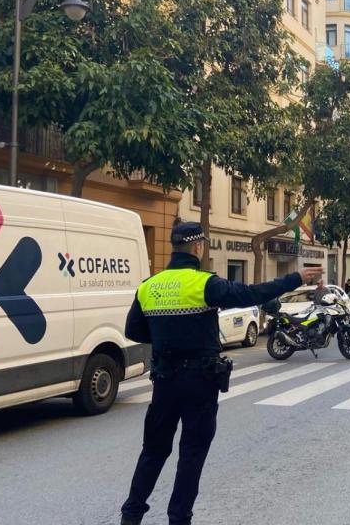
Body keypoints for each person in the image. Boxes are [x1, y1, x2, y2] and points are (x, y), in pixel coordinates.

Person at [120, 222, 322, 525]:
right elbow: (251, 294)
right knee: (191, 453)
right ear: (199, 247)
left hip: (164, 381)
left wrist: (167, 338)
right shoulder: (205, 284)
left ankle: (131, 516)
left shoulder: (149, 286)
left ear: (174, 247)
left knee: (153, 451)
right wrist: (294, 278)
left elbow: (133, 329)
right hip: (200, 382)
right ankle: (178, 519)